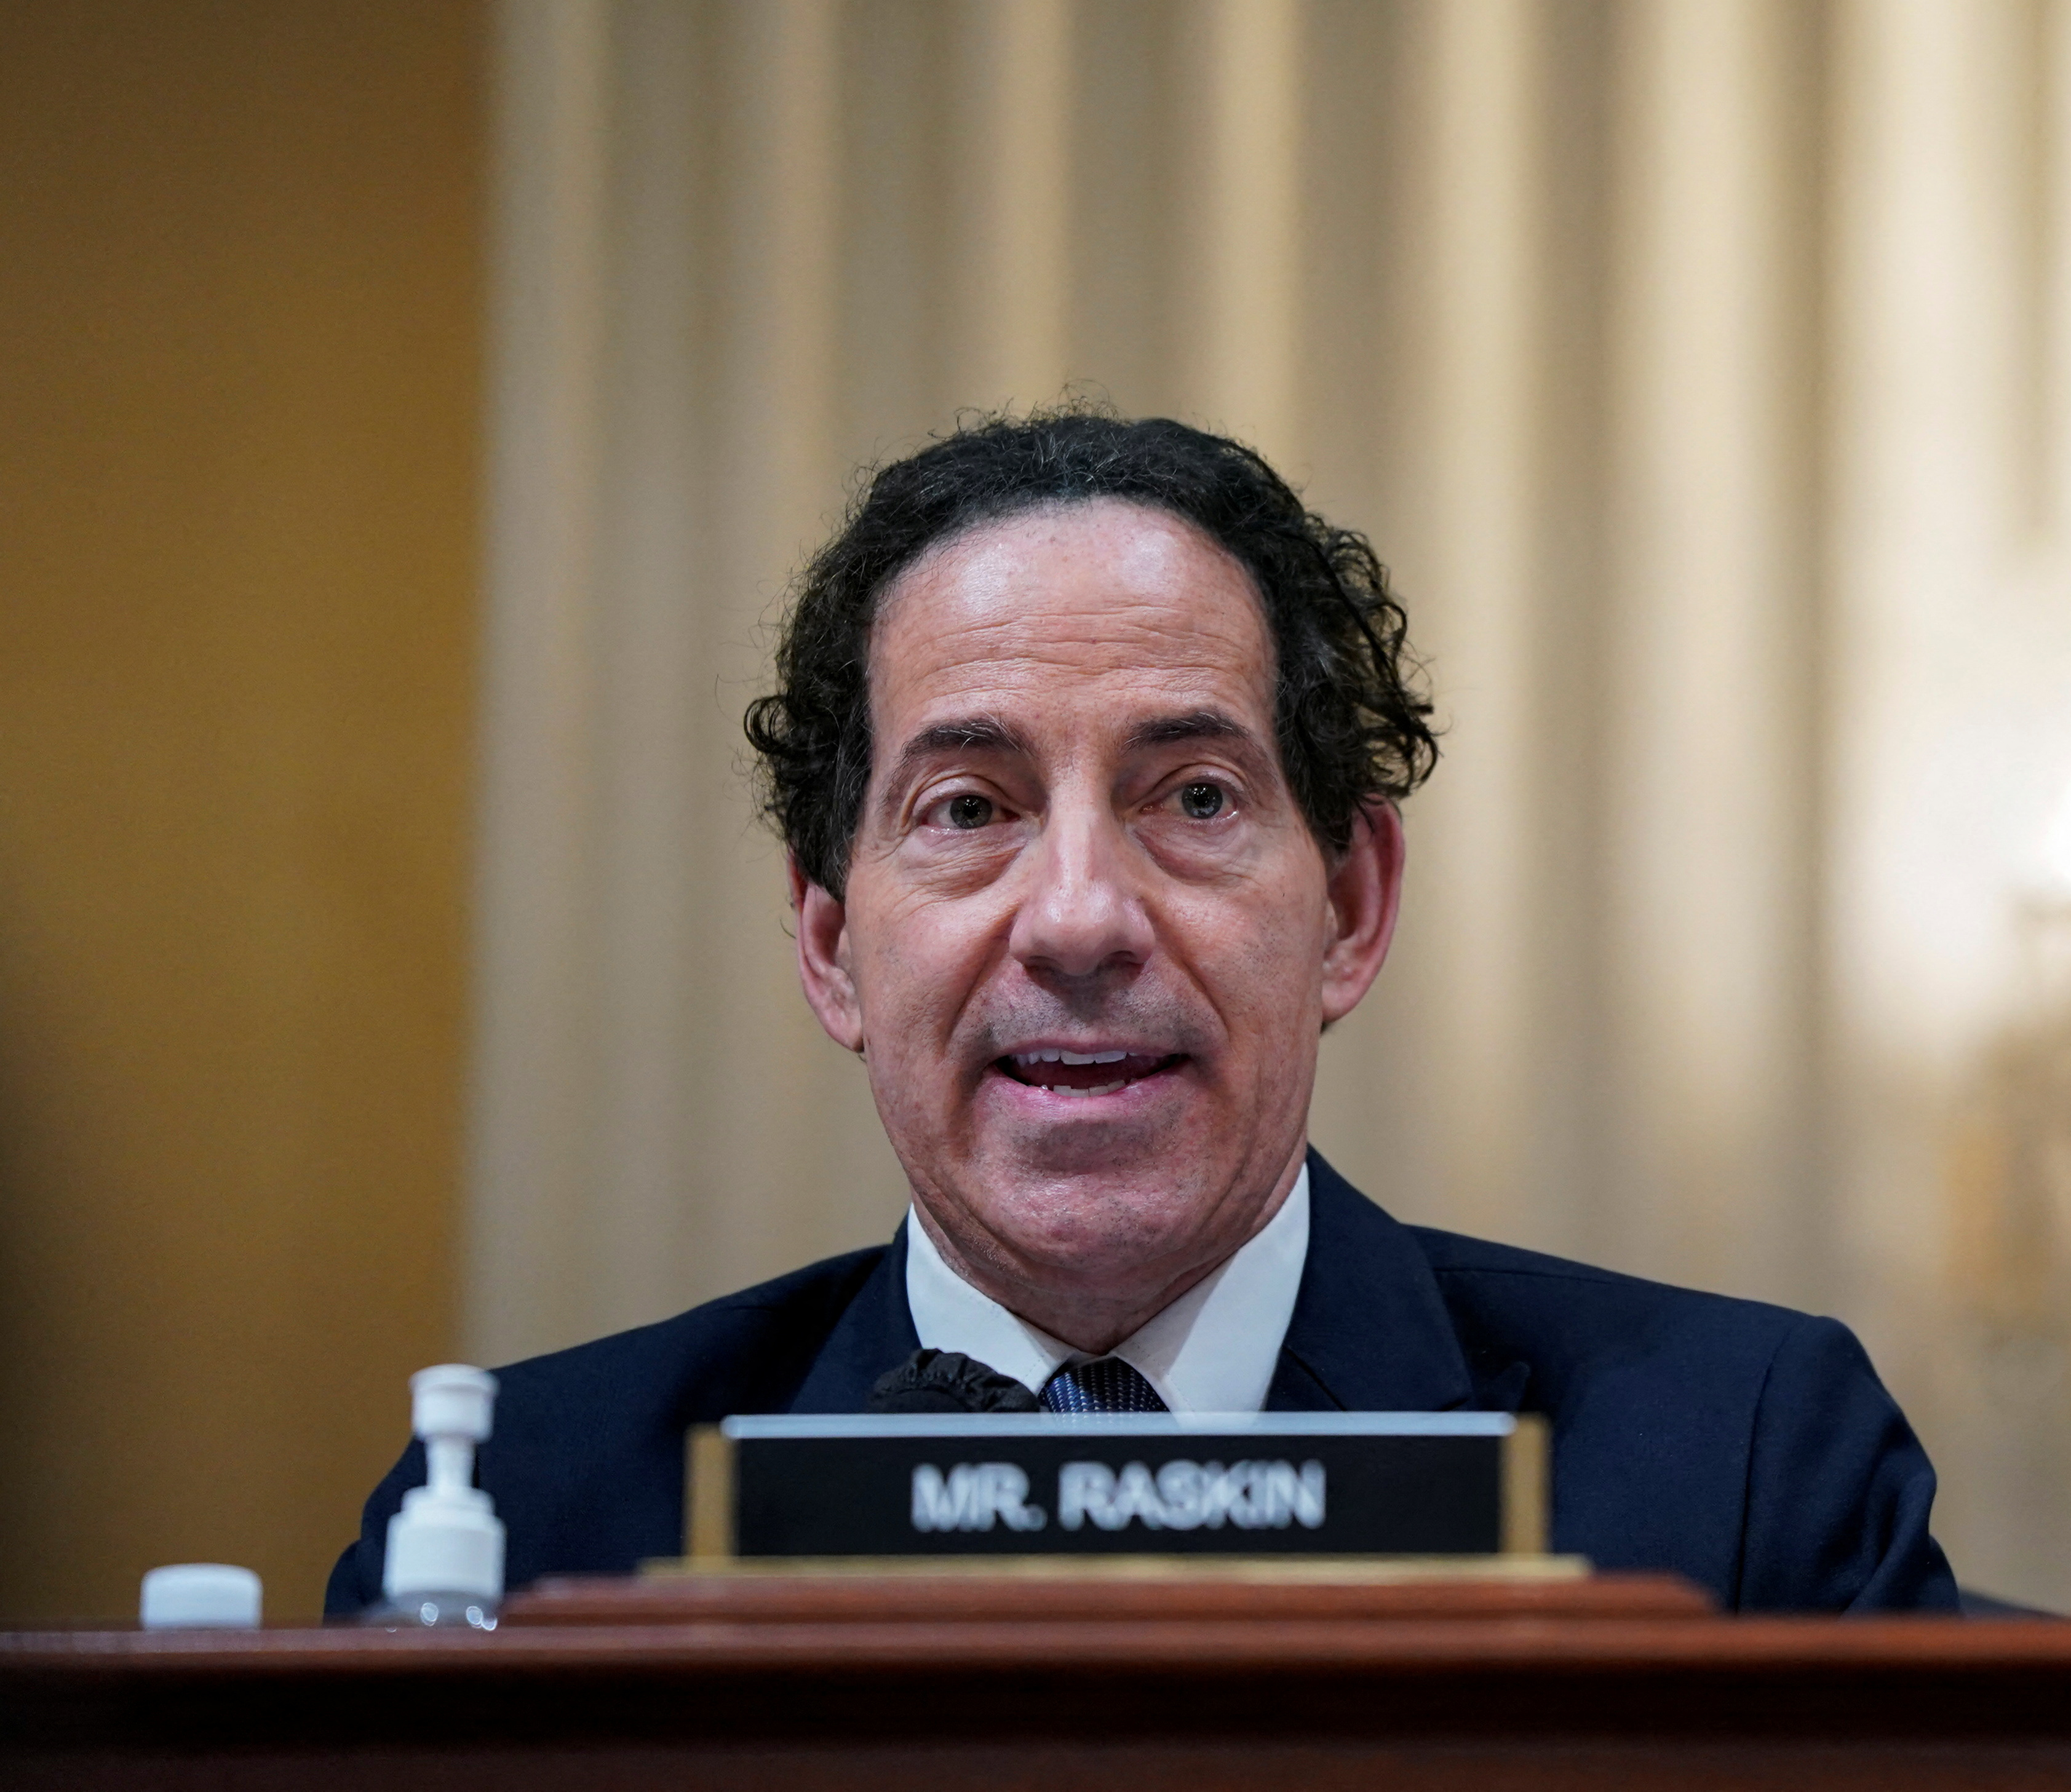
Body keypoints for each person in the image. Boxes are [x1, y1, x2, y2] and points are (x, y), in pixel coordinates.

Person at [328, 410, 1957, 1614]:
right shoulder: (532, 1518)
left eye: (1190, 795)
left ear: (1352, 906)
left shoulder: (1746, 1473)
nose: (1084, 917)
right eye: (969, 809)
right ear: (829, 939)